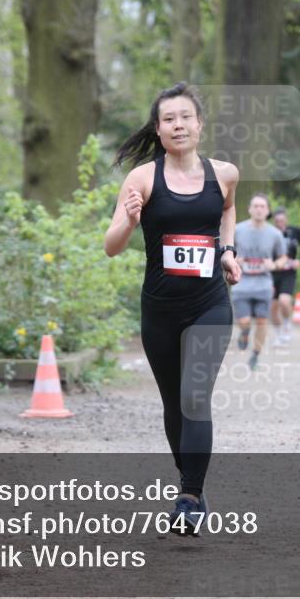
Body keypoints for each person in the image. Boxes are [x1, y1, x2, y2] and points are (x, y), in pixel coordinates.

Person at [104, 83, 240, 535]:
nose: (178, 125)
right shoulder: (142, 178)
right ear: (158, 130)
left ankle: (189, 496)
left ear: (199, 124)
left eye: (186, 117)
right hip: (160, 309)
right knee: (173, 404)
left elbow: (227, 211)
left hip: (209, 305)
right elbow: (111, 246)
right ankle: (192, 480)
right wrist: (129, 219)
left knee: (195, 398)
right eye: (168, 119)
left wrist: (227, 252)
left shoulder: (225, 173)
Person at [231, 194, 287, 369]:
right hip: (241, 284)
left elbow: (283, 257)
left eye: (262, 206)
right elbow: (225, 252)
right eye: (255, 206)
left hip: (263, 285)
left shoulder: (275, 234)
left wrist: (275, 264)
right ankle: (245, 332)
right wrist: (233, 260)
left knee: (262, 321)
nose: (259, 209)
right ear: (249, 209)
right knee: (245, 321)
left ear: (268, 210)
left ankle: (255, 355)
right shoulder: (237, 230)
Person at [269, 207, 300, 345]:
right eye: (277, 221)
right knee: (272, 308)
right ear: (274, 221)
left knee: (284, 301)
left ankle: (286, 323)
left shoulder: (295, 232)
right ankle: (279, 335)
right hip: (272, 274)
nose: (280, 223)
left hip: (289, 273)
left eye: (282, 220)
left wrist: (299, 260)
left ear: (286, 219)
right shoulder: (269, 233)